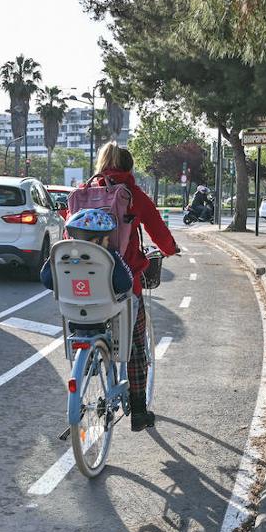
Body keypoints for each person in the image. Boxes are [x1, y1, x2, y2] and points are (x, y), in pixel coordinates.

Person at [80, 142, 180, 431]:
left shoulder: (85, 192)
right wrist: (170, 248)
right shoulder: (132, 194)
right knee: (136, 347)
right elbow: (157, 228)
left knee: (90, 323)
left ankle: (90, 358)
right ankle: (138, 411)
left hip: (85, 282)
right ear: (129, 167)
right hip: (124, 282)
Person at [40, 208, 133, 296]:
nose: (108, 242)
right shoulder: (110, 256)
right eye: (107, 239)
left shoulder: (61, 253)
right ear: (97, 240)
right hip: (104, 309)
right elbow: (125, 285)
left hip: (70, 307)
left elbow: (47, 280)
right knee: (132, 300)